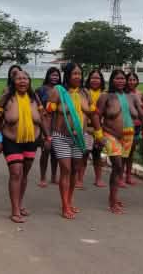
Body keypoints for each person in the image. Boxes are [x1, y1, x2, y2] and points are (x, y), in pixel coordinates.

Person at [0, 70, 50, 223]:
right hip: (11, 141)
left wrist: (47, 137)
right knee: (16, 173)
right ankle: (15, 209)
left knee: (24, 174)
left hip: (31, 141)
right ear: (13, 81)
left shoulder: (35, 98)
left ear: (29, 81)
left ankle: (19, 203)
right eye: (19, 79)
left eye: (25, 78)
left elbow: (43, 118)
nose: (22, 81)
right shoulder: (6, 98)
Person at [44, 63, 99, 219]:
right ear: (67, 75)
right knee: (66, 169)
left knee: (75, 169)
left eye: (80, 74)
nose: (78, 77)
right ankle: (65, 205)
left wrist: (99, 134)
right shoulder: (57, 92)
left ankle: (69, 199)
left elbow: (93, 114)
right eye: (74, 74)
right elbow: (47, 115)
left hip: (79, 138)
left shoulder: (85, 93)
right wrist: (47, 136)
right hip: (61, 137)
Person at [96, 70, 143, 214]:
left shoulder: (132, 97)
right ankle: (112, 202)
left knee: (120, 168)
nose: (121, 81)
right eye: (117, 78)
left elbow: (142, 115)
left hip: (128, 136)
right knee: (118, 165)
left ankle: (114, 196)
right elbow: (96, 115)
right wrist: (99, 135)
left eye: (123, 79)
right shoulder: (106, 96)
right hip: (110, 134)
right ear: (112, 80)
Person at [78, 69, 107, 188]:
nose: (95, 80)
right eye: (93, 78)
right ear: (88, 80)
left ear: (101, 81)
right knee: (84, 153)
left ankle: (98, 179)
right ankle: (79, 179)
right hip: (87, 128)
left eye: (98, 78)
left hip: (100, 128)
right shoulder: (84, 93)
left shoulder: (105, 94)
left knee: (97, 154)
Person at [35, 67, 61, 187]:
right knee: (46, 150)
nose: (55, 77)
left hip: (58, 123)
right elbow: (36, 107)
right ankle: (43, 177)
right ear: (48, 76)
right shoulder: (40, 90)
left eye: (57, 75)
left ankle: (54, 177)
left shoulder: (62, 90)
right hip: (45, 123)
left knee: (56, 152)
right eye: (52, 75)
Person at [123, 71, 143, 186]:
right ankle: (120, 175)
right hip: (125, 126)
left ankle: (128, 175)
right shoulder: (123, 94)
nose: (131, 82)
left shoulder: (140, 94)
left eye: (134, 79)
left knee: (131, 153)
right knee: (123, 152)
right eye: (129, 80)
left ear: (137, 81)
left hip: (137, 126)